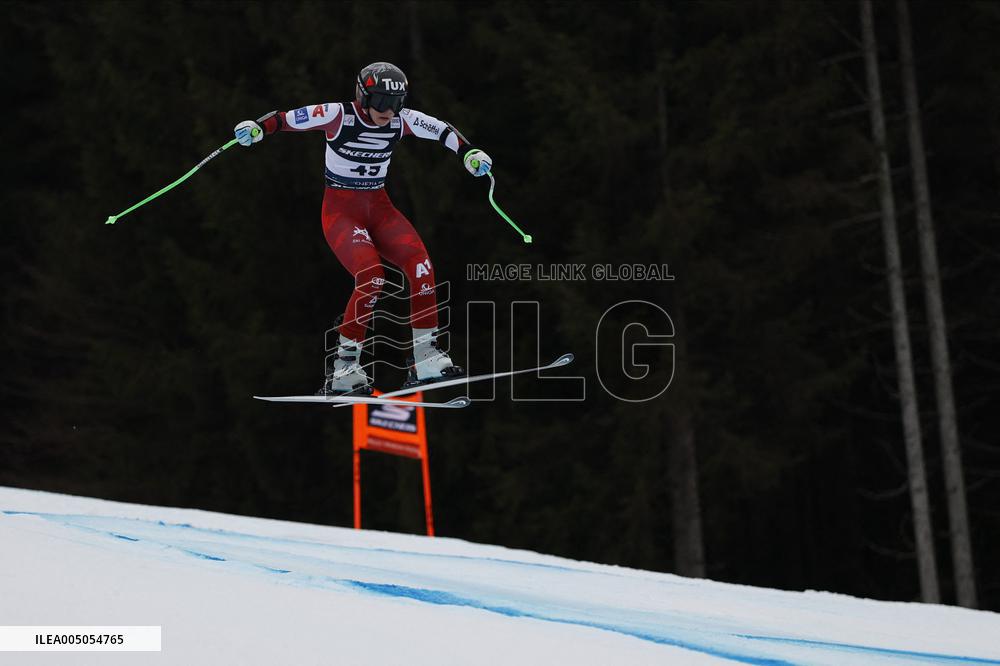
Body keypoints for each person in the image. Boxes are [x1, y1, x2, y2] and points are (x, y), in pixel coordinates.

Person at [233, 62, 492, 395]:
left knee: (421, 265)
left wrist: (469, 153)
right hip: (342, 213)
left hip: (379, 209)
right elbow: (285, 119)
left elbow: (442, 130)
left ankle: (427, 359)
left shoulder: (401, 121)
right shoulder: (338, 116)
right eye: (382, 102)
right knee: (373, 277)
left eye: (396, 103)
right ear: (363, 96)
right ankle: (344, 369)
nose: (389, 112)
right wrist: (256, 128)